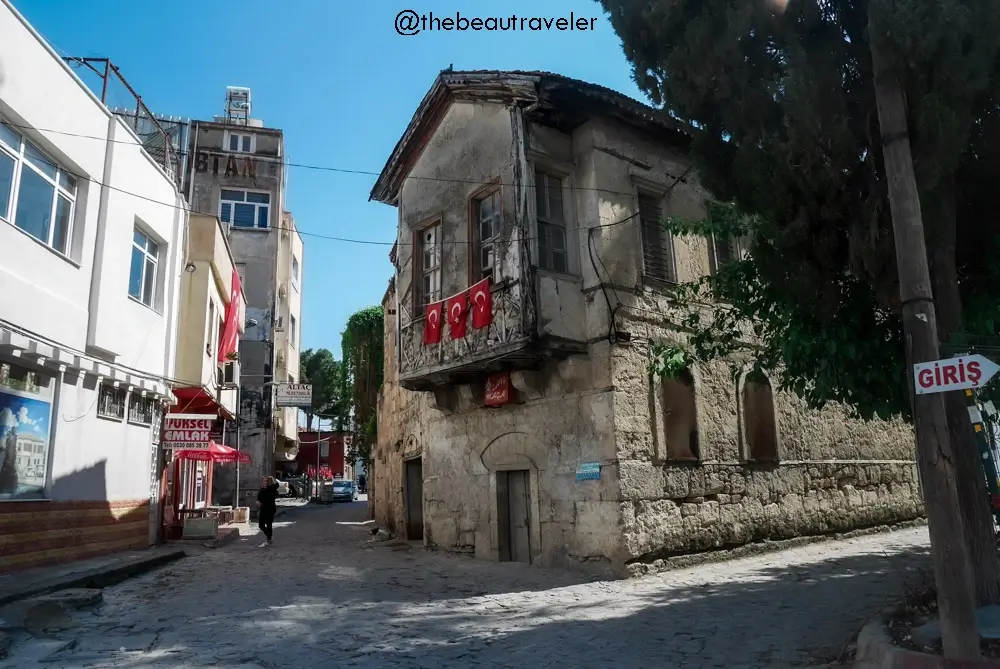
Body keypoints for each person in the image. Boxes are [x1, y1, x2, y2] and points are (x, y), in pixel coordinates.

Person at [256, 476, 279, 547]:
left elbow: (277, 484)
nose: (265, 482)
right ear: (262, 483)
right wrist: (258, 503)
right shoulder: (261, 490)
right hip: (263, 509)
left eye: (267, 481)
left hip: (271, 509)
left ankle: (269, 539)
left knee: (269, 524)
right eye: (264, 481)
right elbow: (258, 500)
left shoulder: (271, 489)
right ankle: (269, 536)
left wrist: (272, 478)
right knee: (261, 525)